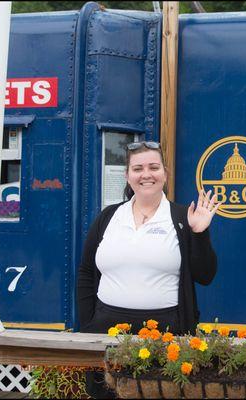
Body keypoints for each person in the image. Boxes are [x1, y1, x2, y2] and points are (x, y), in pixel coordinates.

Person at [77, 140, 220, 398]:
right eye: (138, 168)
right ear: (127, 176)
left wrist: (200, 233)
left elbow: (205, 275)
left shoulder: (182, 217)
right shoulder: (108, 217)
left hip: (166, 335)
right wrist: (88, 324)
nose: (146, 175)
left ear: (165, 174)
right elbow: (86, 272)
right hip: (106, 330)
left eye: (154, 167)